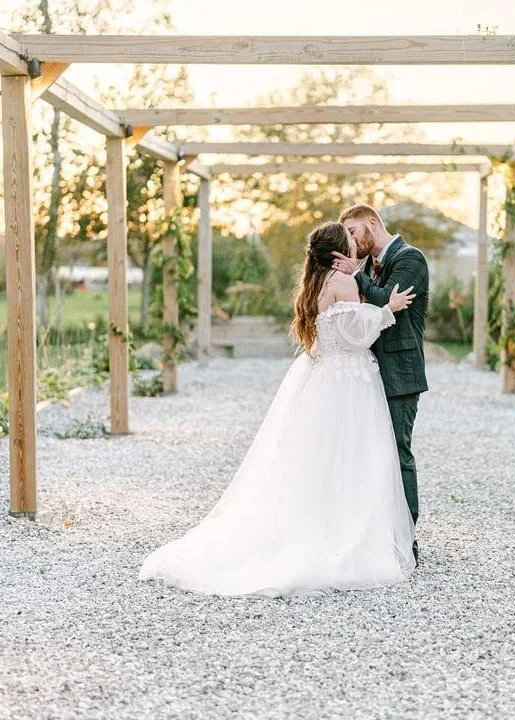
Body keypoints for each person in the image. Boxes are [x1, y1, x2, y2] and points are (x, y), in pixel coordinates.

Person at [139, 221, 417, 598]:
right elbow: (356, 334)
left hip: (327, 379)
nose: (356, 244)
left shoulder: (315, 283)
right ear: (339, 252)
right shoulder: (344, 281)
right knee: (353, 458)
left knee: (320, 460)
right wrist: (389, 309)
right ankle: (345, 536)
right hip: (349, 381)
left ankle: (322, 527)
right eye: (350, 239)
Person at [332, 205, 429, 563]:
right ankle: (376, 534)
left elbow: (385, 303)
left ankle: (407, 540)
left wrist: (355, 276)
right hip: (370, 372)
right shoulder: (368, 266)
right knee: (373, 455)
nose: (352, 241)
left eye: (355, 232)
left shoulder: (410, 258)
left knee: (398, 454)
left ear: (372, 222)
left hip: (401, 373)